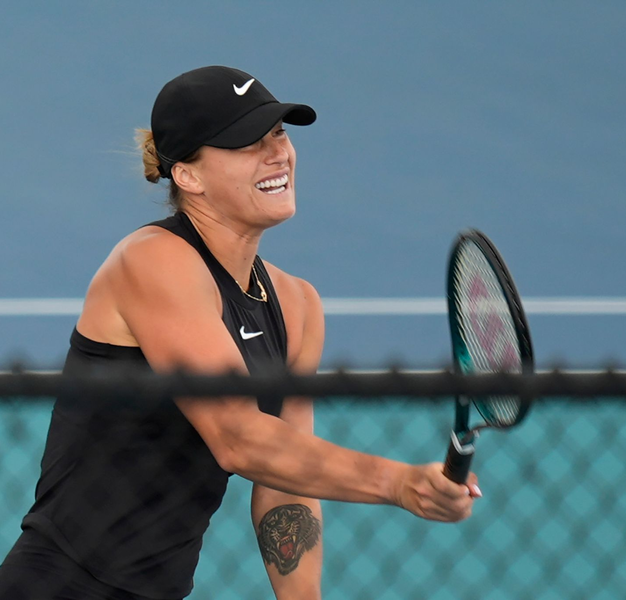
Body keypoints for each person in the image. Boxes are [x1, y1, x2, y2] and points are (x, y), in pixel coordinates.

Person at [0, 66, 480, 600]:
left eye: (278, 133)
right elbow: (237, 437)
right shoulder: (153, 262)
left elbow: (282, 479)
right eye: (246, 143)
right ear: (188, 175)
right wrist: (397, 483)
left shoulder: (298, 306)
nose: (277, 153)